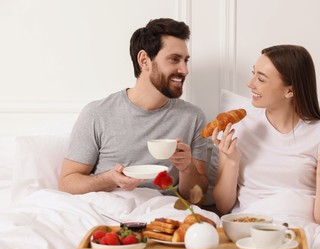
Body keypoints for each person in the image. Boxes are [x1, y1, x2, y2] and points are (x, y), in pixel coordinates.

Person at [59, 18, 208, 199]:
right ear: (144, 60)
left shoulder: (193, 117)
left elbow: (197, 197)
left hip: (163, 214)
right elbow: (67, 183)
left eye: (186, 60)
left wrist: (186, 168)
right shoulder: (97, 114)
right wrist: (109, 179)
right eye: (174, 59)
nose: (184, 70)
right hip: (107, 208)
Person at [211, 45, 320, 224]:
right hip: (250, 226)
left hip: (299, 228)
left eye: (261, 79)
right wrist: (231, 161)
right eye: (253, 73)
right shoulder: (241, 125)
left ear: (290, 91)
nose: (250, 83)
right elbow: (223, 206)